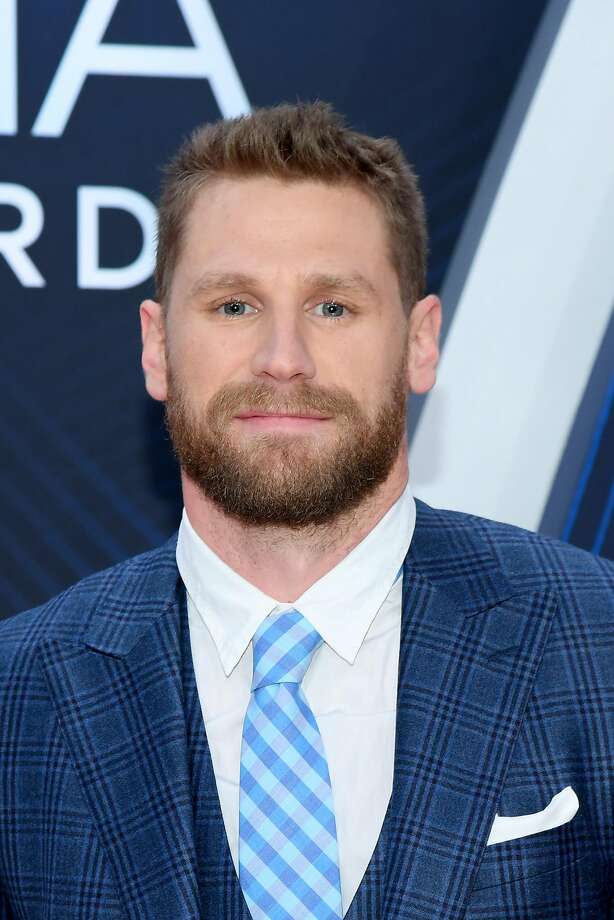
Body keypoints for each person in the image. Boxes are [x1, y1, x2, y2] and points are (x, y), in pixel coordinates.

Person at [0, 101, 612, 920]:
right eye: (233, 306)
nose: (283, 360)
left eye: (333, 307)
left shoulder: (597, 641)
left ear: (420, 341)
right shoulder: (18, 693)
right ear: (156, 346)